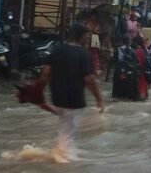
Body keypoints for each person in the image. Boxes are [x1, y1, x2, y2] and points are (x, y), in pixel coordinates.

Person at [37, 23, 104, 164]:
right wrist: (99, 99)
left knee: (64, 129)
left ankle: (56, 154)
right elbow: (89, 80)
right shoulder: (83, 54)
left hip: (56, 98)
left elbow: (45, 74)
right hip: (74, 101)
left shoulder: (56, 49)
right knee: (67, 135)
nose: (87, 39)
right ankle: (63, 165)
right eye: (86, 36)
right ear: (80, 36)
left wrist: (39, 93)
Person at [112, 35, 140, 100]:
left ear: (122, 41)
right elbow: (135, 62)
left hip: (119, 71)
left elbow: (115, 60)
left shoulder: (118, 49)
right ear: (129, 41)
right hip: (130, 71)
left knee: (118, 85)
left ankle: (118, 96)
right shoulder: (133, 51)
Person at [133, 35, 149, 101]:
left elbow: (136, 63)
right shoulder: (144, 50)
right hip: (144, 72)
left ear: (136, 42)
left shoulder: (136, 51)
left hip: (138, 73)